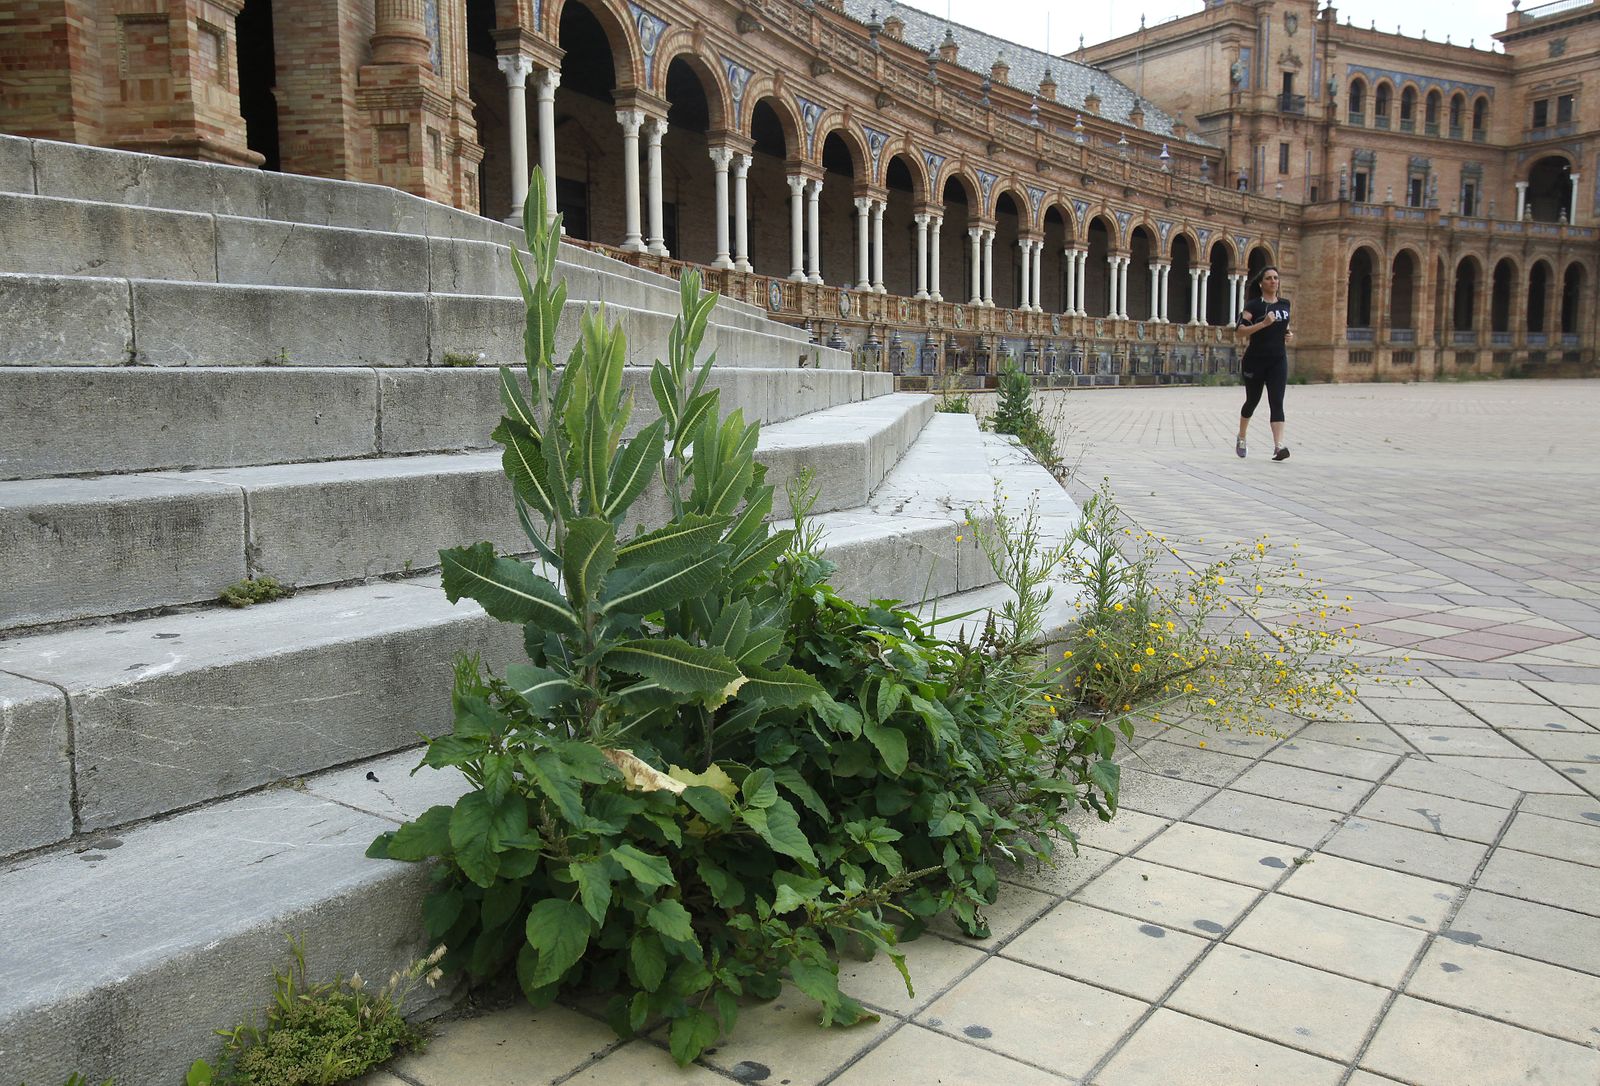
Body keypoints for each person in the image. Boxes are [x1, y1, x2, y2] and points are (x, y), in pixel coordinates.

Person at [1235, 266, 1293, 461]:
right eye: (1269, 278)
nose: (1273, 281)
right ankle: (1242, 436)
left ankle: (1278, 446)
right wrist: (1263, 324)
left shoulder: (1285, 304)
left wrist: (1287, 334)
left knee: (1277, 402)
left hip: (1278, 359)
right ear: (1261, 283)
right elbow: (1240, 330)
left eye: (1276, 278)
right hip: (1255, 361)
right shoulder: (1253, 306)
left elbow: (1284, 326)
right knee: (1252, 401)